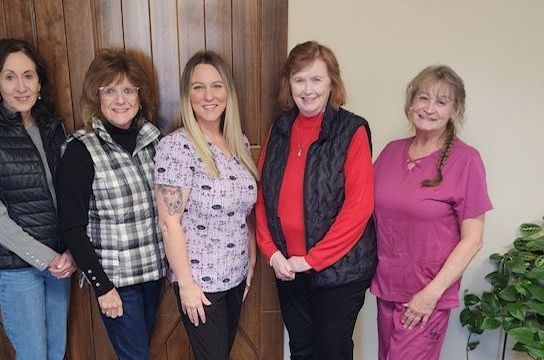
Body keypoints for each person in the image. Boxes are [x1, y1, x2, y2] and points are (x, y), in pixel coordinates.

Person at [256, 40, 377, 359]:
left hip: (339, 273)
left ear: (332, 83)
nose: (307, 89)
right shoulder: (279, 129)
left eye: (316, 79)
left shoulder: (351, 130)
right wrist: (271, 253)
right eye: (299, 80)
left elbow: (359, 208)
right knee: (302, 349)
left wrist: (313, 259)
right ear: (289, 84)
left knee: (331, 351)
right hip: (288, 270)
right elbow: (262, 196)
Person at [0, 38, 76, 360]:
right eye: (10, 76)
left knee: (56, 351)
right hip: (17, 269)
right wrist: (46, 258)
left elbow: (68, 194)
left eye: (28, 75)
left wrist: (69, 251)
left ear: (40, 82)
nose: (21, 86)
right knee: (33, 355)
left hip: (59, 262)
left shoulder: (53, 127)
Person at [370, 65, 492, 360]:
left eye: (441, 101)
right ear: (411, 102)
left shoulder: (466, 160)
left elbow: (473, 239)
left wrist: (431, 294)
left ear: (455, 109)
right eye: (423, 98)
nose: (429, 108)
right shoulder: (389, 152)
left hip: (426, 296)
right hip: (386, 289)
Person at [56, 48, 166, 360]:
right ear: (97, 96)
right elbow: (72, 229)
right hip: (117, 283)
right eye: (110, 90)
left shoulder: (154, 141)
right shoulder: (81, 150)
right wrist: (102, 287)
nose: (120, 100)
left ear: (140, 96)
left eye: (128, 90)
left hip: (152, 275)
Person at [154, 50, 258, 360]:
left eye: (217, 85)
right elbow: (168, 223)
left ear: (229, 92)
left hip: (236, 276)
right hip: (201, 284)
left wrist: (251, 257)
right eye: (198, 87)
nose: (208, 96)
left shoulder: (237, 141)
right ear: (188, 94)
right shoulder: (177, 147)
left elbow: (246, 210)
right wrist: (185, 284)